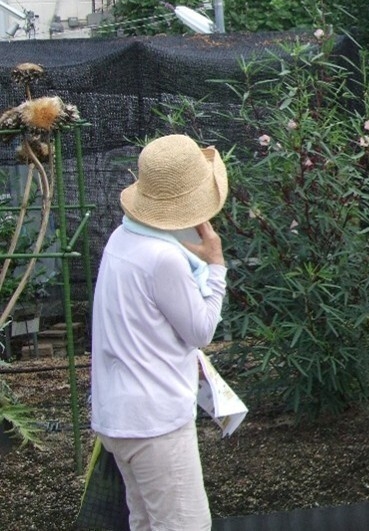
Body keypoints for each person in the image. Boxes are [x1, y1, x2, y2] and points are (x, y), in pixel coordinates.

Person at [91, 134, 231, 530]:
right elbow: (201, 330)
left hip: (119, 415)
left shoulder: (124, 237)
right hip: (155, 423)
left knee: (147, 523)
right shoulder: (163, 258)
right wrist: (216, 265)